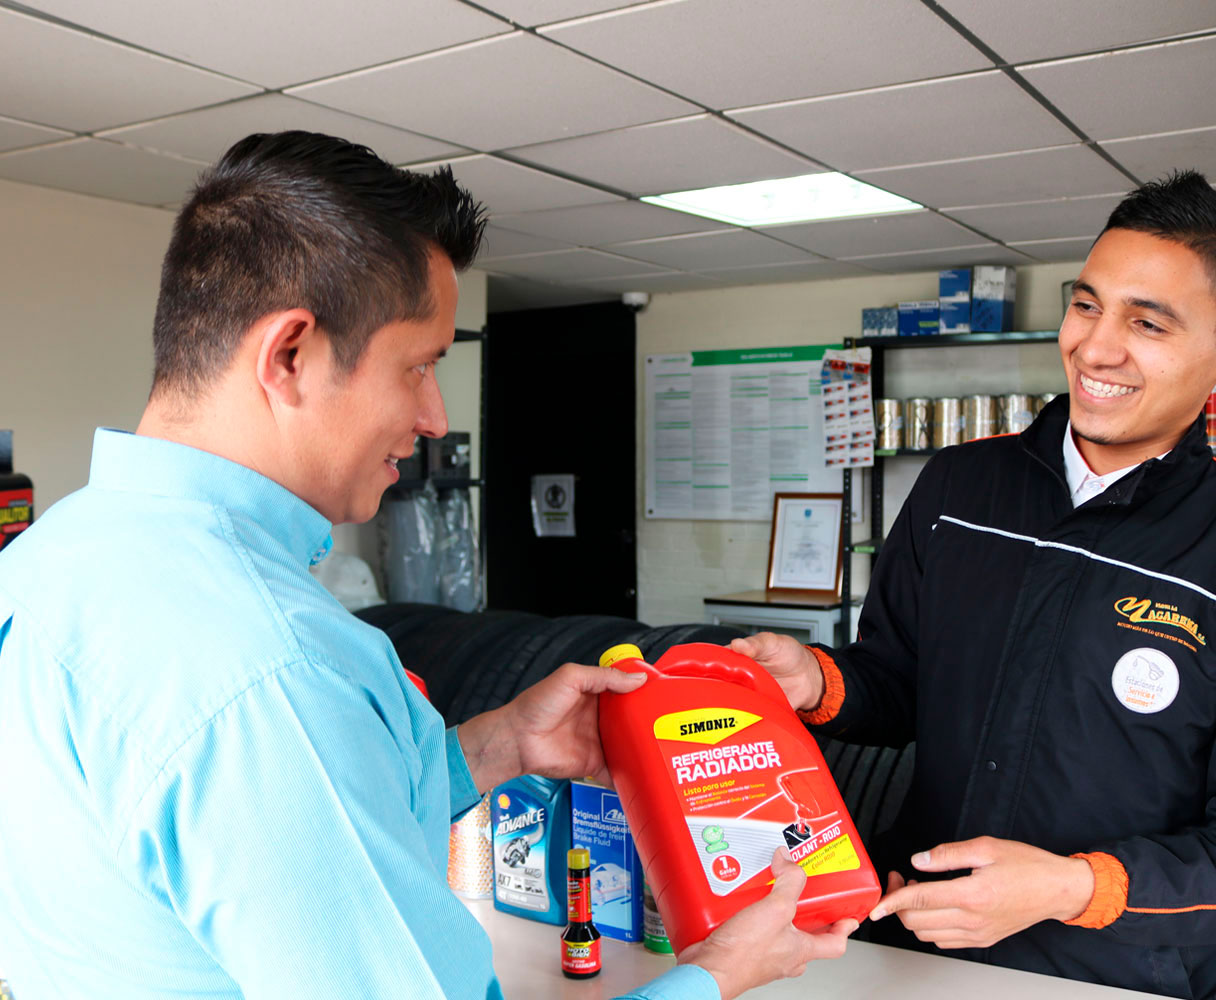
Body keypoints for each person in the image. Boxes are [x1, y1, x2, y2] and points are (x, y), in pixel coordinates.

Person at [0, 131, 854, 999]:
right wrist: (712, 974)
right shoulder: (270, 671)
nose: (436, 417)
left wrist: (501, 744)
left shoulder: (48, 563)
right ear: (290, 355)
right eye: (419, 366)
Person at [731, 171, 1216, 1000]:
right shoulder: (958, 491)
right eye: (1087, 305)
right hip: (904, 950)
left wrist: (1069, 887)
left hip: (1118, 980)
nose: (1096, 347)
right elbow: (899, 685)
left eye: (1148, 322)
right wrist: (817, 681)